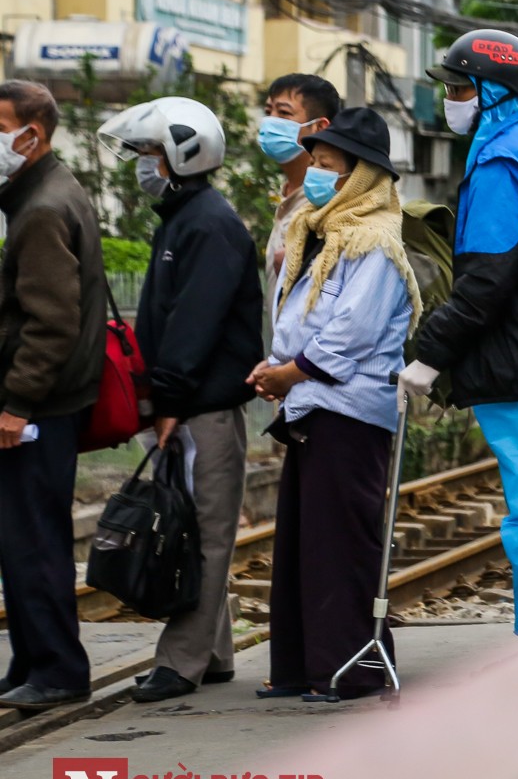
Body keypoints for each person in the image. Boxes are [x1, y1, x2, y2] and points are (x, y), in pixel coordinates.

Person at [404, 29, 518, 636]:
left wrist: (427, 357)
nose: (450, 100)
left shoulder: (500, 163)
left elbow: (486, 279)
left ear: (490, 91)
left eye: (459, 88)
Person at [98, 97, 263, 703]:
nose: (141, 164)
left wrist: (166, 399)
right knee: (196, 527)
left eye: (147, 152)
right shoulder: (183, 216)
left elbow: (195, 324)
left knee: (208, 533)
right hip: (187, 403)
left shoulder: (210, 223)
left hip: (202, 407)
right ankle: (214, 654)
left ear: (180, 153)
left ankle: (180, 663)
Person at [249, 108, 418, 701]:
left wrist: (288, 374)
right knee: (304, 543)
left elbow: (351, 332)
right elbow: (299, 318)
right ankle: (303, 666)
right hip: (310, 404)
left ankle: (353, 670)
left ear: (363, 176)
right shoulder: (318, 233)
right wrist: (277, 368)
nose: (316, 175)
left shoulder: (375, 241)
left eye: (329, 166)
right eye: (315, 163)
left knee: (341, 544)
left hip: (347, 408)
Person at [0, 82, 105, 713]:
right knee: (22, 539)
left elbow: (50, 321)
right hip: (46, 402)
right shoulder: (43, 191)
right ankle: (33, 660)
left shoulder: (40, 207)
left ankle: (60, 669)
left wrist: (16, 403)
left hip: (40, 407)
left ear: (30, 136)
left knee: (34, 540)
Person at [258, 73, 339, 316]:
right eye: (268, 111)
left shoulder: (326, 203)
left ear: (320, 127)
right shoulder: (287, 196)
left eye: (284, 113)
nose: (270, 122)